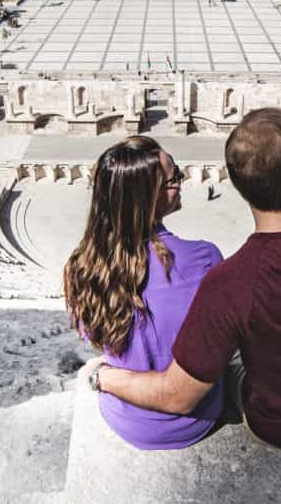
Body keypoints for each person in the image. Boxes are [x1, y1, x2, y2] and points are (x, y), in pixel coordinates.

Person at [93, 105, 281, 451]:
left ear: (238, 186)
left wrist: (104, 377)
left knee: (229, 361)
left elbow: (178, 397)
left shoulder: (228, 282)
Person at [65, 137, 224, 450]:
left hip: (127, 418)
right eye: (175, 178)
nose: (183, 181)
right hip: (198, 417)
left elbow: (92, 333)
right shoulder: (206, 258)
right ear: (149, 197)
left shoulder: (81, 268)